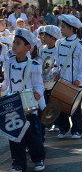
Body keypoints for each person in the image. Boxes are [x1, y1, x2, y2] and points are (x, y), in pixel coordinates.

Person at [0, 28, 45, 172]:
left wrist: (38, 93)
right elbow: (7, 83)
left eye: (18, 43)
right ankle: (18, 163)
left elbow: (39, 84)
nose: (14, 45)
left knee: (33, 135)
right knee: (15, 137)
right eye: (14, 42)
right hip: (14, 106)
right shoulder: (8, 64)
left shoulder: (34, 66)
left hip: (29, 106)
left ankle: (38, 159)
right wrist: (1, 87)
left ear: (27, 48)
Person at [53, 14, 82, 139]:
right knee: (61, 106)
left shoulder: (81, 45)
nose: (61, 29)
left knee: (75, 107)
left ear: (72, 29)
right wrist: (55, 71)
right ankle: (63, 128)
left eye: (63, 27)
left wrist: (79, 79)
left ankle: (77, 130)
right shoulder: (59, 43)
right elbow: (56, 62)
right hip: (62, 81)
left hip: (75, 82)